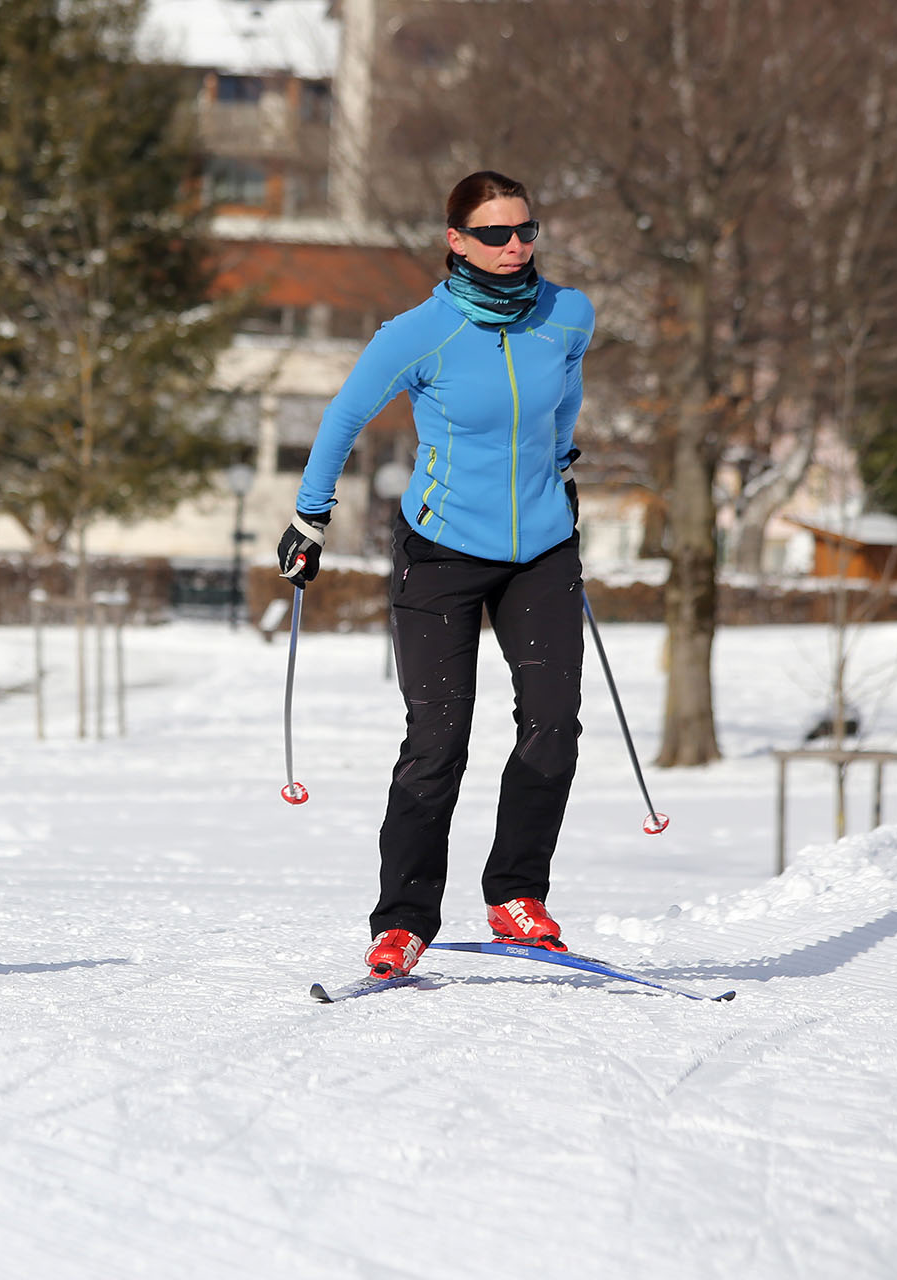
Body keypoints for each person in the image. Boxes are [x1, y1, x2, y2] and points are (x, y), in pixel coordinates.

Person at [275, 171, 594, 980]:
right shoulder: (419, 333)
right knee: (437, 742)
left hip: (544, 550)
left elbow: (564, 404)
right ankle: (404, 921)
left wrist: (561, 467)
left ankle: (516, 895)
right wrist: (310, 518)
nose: (515, 245)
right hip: (442, 551)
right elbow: (344, 417)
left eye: (525, 230)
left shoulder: (568, 316)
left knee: (554, 724)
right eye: (495, 234)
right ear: (456, 241)